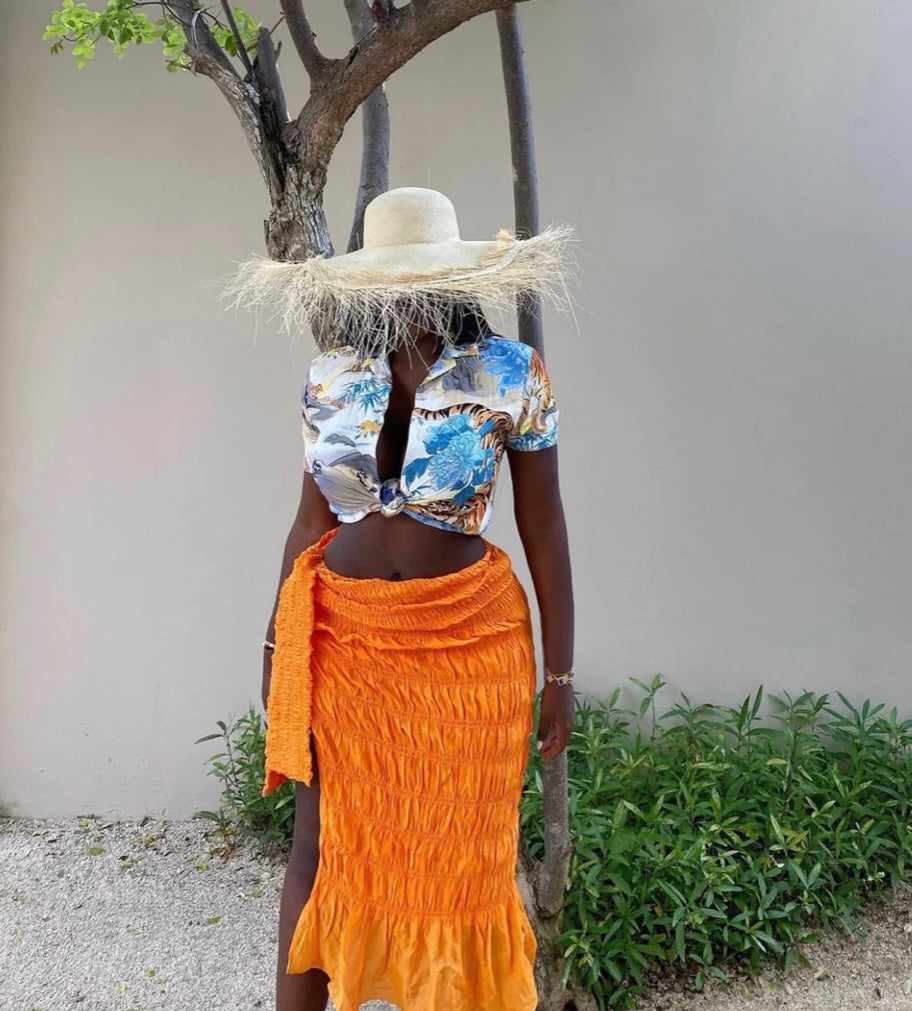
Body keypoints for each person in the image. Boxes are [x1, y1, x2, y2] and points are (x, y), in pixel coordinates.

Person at [228, 187, 575, 1011]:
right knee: (318, 841)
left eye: (418, 274)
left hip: (467, 646)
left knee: (468, 855)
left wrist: (559, 673)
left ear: (452, 276)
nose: (401, 290)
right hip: (342, 641)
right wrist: (277, 642)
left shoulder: (511, 372)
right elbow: (311, 515)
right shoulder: (333, 376)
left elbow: (545, 523)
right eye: (387, 275)